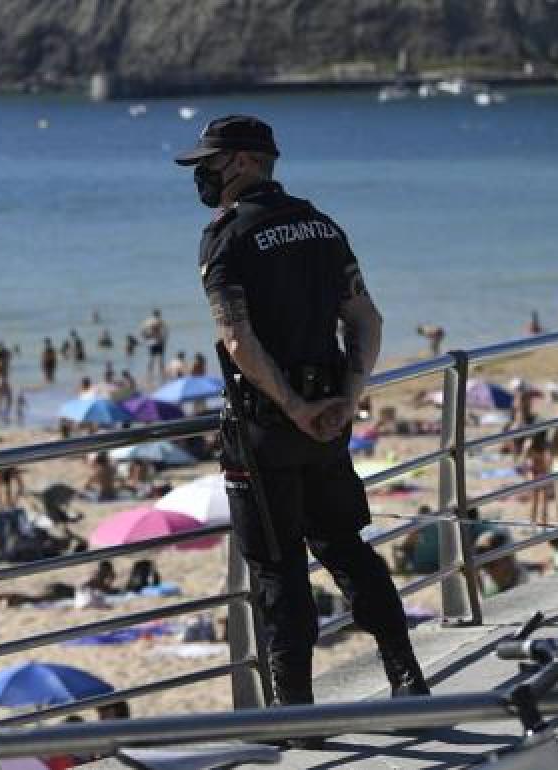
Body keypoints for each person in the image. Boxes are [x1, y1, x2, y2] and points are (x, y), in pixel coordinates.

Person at [176, 115, 428, 723]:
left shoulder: (225, 236)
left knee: (276, 570)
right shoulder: (321, 224)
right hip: (328, 423)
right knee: (348, 548)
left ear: (241, 161)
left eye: (208, 163)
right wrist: (346, 398)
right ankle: (406, 673)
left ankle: (296, 715)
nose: (203, 176)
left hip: (267, 424)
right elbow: (367, 319)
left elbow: (237, 340)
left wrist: (292, 406)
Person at [141, 309, 168, 384]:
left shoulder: (147, 322)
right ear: (159, 314)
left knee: (151, 359)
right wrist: (164, 340)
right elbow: (166, 331)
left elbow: (142, 331)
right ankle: (162, 376)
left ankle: (149, 375)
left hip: (151, 342)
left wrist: (146, 338)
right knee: (160, 359)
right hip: (159, 342)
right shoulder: (160, 321)